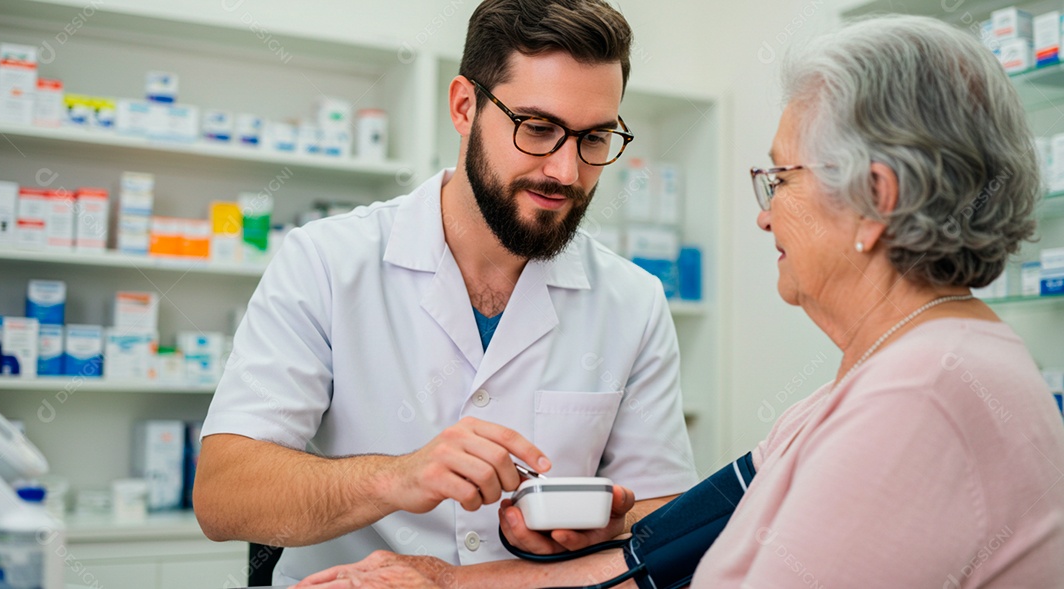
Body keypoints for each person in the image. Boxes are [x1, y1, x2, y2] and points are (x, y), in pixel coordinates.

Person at [292, 14, 1064, 589]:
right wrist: (445, 578)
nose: (765, 214)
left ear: (873, 199)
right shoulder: (887, 378)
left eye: (781, 178)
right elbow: (652, 551)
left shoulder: (921, 398)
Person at [192, 0, 698, 584]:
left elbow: (663, 512)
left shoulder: (633, 300)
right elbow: (223, 495)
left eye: (595, 138)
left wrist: (611, 525)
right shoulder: (327, 261)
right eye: (538, 129)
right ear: (464, 106)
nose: (565, 170)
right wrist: (397, 478)